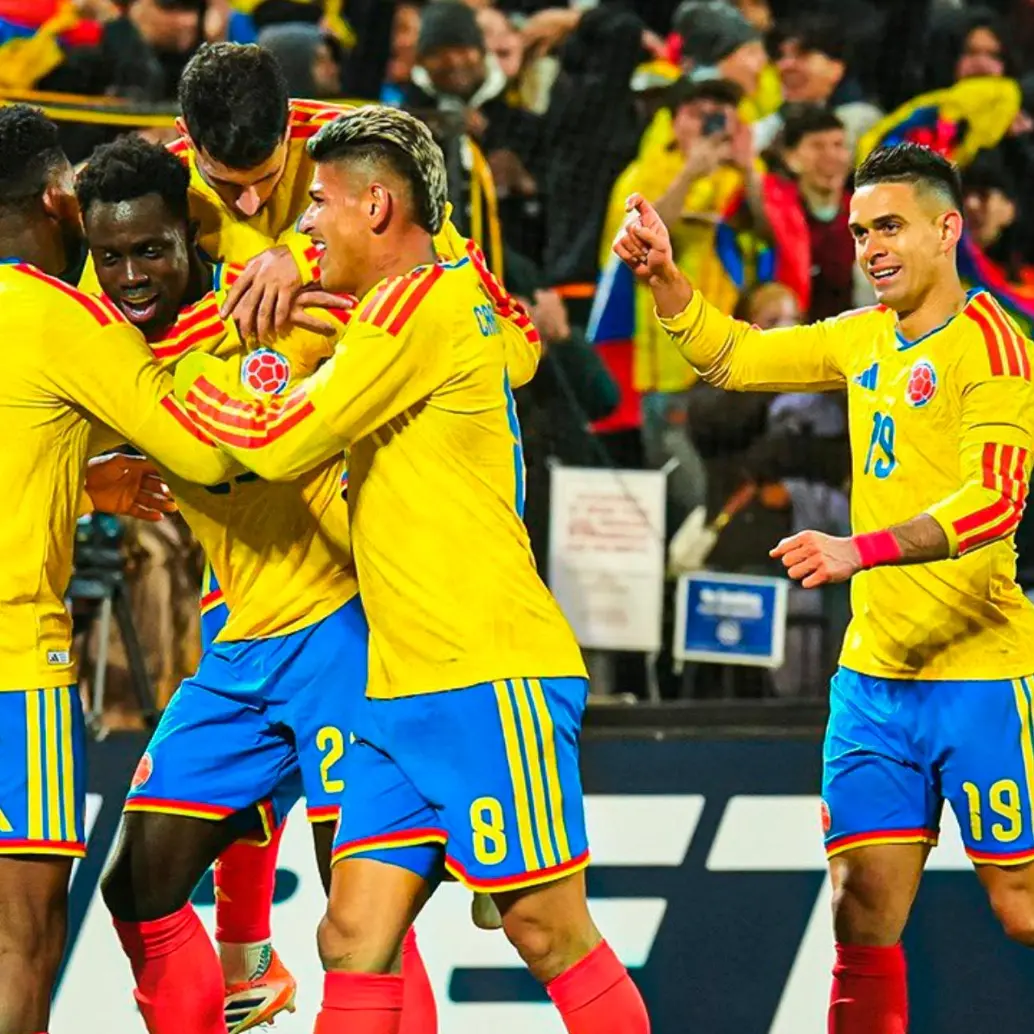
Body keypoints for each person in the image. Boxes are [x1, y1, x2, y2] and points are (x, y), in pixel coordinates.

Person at [172, 106, 650, 1034]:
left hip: (484, 668)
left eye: (318, 206)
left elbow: (278, 440)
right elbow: (513, 340)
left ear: (379, 208)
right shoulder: (441, 295)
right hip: (401, 682)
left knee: (549, 934)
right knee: (352, 935)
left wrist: (169, 383)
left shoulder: (410, 307)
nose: (304, 226)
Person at [613, 141, 1034, 1033]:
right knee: (861, 912)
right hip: (874, 682)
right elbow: (733, 359)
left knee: (1021, 909)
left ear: (947, 229)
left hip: (982, 674)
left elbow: (995, 500)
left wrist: (862, 549)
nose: (871, 246)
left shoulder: (994, 345)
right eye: (858, 231)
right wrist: (665, 282)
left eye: (891, 226)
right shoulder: (860, 338)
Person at [76, 134, 442, 1034]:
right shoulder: (110, 355)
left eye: (151, 250)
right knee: (137, 886)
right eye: (112, 256)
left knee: (365, 920)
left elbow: (417, 290)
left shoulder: (278, 310)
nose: (131, 275)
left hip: (342, 636)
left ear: (190, 240)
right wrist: (92, 479)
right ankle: (241, 977)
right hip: (238, 650)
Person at [0, 102, 236, 1034]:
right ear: (62, 199)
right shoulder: (69, 319)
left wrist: (76, 479)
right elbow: (206, 451)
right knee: (20, 936)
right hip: (17, 664)